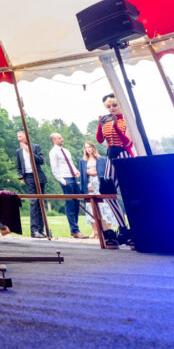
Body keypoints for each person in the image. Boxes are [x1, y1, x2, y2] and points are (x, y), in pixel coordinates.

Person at [95, 95, 133, 246]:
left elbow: (127, 142)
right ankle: (122, 227)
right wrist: (100, 124)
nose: (111, 108)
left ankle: (133, 227)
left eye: (114, 105)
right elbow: (99, 140)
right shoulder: (106, 121)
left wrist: (117, 125)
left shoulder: (127, 120)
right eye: (108, 106)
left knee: (129, 192)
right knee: (107, 190)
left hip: (124, 155)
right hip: (111, 155)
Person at [48, 133, 86, 239]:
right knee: (70, 204)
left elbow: (71, 163)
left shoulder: (66, 151)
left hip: (72, 177)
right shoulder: (53, 152)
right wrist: (61, 179)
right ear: (54, 140)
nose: (62, 139)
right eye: (59, 138)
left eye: (61, 137)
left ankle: (74, 230)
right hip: (65, 179)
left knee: (77, 202)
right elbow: (54, 167)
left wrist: (76, 171)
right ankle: (75, 230)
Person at [79, 141, 116, 246]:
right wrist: (88, 174)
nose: (88, 149)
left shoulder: (101, 159)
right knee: (91, 207)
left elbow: (101, 172)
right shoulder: (82, 161)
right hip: (90, 186)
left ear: (93, 148)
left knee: (105, 206)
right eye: (86, 147)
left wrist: (90, 172)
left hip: (100, 185)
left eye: (89, 147)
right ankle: (94, 231)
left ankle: (108, 230)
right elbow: (83, 174)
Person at [15, 131, 49, 239]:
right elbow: (19, 167)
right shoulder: (18, 151)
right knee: (33, 202)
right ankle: (33, 231)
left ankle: (41, 230)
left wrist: (29, 151)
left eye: (20, 136)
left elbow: (41, 160)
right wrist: (21, 176)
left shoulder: (35, 147)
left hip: (39, 176)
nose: (18, 138)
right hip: (28, 177)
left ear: (25, 136)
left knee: (40, 202)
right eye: (17, 136)